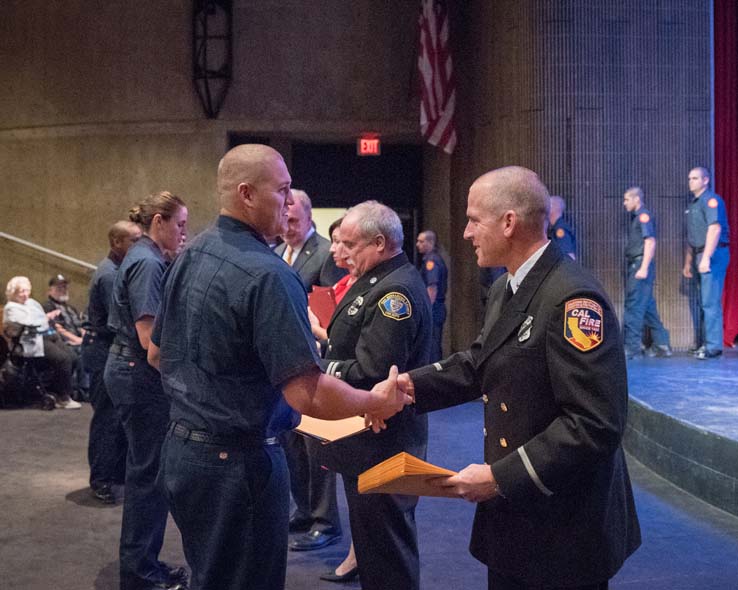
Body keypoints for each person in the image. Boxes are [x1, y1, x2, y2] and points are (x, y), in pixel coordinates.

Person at [147, 144, 411, 590]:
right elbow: (305, 392)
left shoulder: (191, 254)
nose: (290, 204)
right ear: (247, 193)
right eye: (283, 191)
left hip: (182, 453)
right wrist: (373, 402)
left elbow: (157, 353)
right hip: (238, 464)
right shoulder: (268, 274)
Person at [394, 166, 641, 590]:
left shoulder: (572, 299)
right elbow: (481, 361)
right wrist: (408, 388)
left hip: (562, 524)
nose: (467, 232)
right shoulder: (509, 286)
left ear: (509, 222)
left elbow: (595, 423)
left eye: (474, 220)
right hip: (518, 514)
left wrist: (499, 477)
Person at [316, 201, 431, 590]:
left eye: (350, 244)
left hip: (383, 443)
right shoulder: (377, 280)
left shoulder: (393, 292)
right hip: (368, 438)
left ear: (379, 243)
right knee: (374, 549)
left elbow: (373, 373)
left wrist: (320, 368)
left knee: (387, 557)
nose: (341, 252)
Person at [104, 191, 189, 590]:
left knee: (147, 475)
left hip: (130, 370)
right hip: (138, 374)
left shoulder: (145, 256)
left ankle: (144, 564)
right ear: (159, 221)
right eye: (180, 225)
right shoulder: (148, 263)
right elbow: (149, 340)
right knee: (147, 478)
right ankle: (139, 574)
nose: (184, 233)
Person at [276, 189, 347, 550]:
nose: (286, 226)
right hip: (284, 365)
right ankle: (302, 509)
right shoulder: (275, 252)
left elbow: (331, 308)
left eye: (293, 220)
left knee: (316, 445)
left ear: (308, 218)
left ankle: (325, 520)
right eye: (283, 218)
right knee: (289, 439)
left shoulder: (323, 253)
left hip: (315, 359)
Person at [83, 220, 142, 504]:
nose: (139, 245)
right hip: (103, 350)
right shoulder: (109, 276)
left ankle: (114, 473)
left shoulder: (118, 270)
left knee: (116, 418)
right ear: (116, 243)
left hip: (107, 348)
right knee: (106, 418)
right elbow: (117, 320)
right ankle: (101, 479)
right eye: (134, 240)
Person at [3, 276, 80, 409]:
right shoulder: (11, 308)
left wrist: (45, 318)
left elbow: (41, 320)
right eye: (21, 291)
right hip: (29, 341)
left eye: (27, 290)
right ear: (13, 292)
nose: (25, 294)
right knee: (63, 359)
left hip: (46, 335)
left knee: (73, 357)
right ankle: (63, 397)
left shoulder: (31, 303)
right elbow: (30, 322)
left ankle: (55, 391)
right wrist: (46, 317)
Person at [682, 166, 731, 359]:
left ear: (705, 180)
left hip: (713, 253)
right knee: (701, 301)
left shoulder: (711, 200)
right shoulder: (694, 204)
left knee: (710, 301)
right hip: (698, 253)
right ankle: (703, 343)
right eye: (689, 178)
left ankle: (713, 347)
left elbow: (715, 229)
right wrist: (688, 263)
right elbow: (692, 237)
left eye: (695, 178)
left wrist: (707, 258)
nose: (691, 182)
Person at [622, 187, 672, 359]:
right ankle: (662, 344)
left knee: (634, 306)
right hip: (638, 265)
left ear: (637, 199)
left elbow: (650, 241)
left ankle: (631, 348)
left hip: (640, 265)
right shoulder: (636, 218)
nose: (624, 203)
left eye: (627, 199)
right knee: (648, 307)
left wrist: (643, 267)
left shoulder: (643, 216)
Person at [416, 230, 448, 362]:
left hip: (434, 308)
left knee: (432, 346)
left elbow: (432, 287)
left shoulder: (432, 261)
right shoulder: (431, 259)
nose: (418, 244)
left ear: (431, 242)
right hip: (436, 308)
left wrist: (426, 310)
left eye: (421, 241)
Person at [43, 275, 86, 347]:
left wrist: (85, 339)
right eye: (59, 288)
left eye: (65, 287)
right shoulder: (47, 307)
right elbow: (57, 328)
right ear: (50, 291)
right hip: (63, 345)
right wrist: (77, 340)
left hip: (79, 342)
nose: (63, 290)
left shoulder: (71, 308)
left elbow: (81, 325)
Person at [547, 195, 576, 260]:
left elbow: (569, 255)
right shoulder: (555, 228)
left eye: (548, 205)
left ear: (553, 208)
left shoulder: (560, 230)